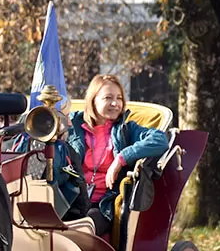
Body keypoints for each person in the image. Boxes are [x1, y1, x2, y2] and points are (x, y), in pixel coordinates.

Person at [67, 74, 168, 236]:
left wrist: (121, 158)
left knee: (83, 228)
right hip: (70, 200)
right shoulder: (73, 126)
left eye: (119, 98)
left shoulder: (126, 129)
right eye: (108, 97)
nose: (115, 103)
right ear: (93, 100)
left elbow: (160, 140)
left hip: (104, 204)